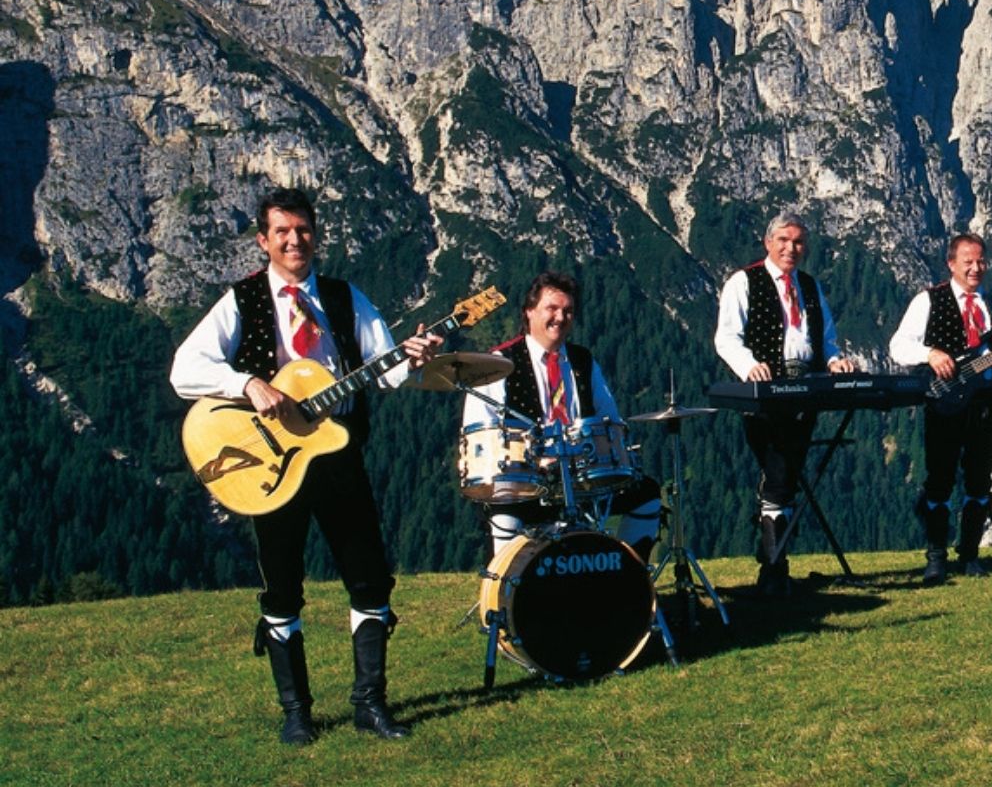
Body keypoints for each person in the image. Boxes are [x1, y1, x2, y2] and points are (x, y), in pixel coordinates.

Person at [170, 186, 443, 745]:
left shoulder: (344, 297)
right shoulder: (242, 300)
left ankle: (370, 704)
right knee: (282, 586)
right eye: (283, 232)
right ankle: (296, 713)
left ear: (316, 234)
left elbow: (386, 369)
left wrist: (413, 358)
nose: (294, 241)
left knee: (369, 578)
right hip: (271, 464)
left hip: (337, 455)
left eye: (303, 230)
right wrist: (247, 383)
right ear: (263, 240)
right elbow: (184, 370)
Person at [461, 273, 662, 562]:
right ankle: (509, 587)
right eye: (552, 308)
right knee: (505, 517)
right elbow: (480, 437)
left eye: (568, 310)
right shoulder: (498, 363)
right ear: (529, 312)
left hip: (580, 477)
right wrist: (534, 460)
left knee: (647, 494)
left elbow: (609, 419)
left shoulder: (583, 361)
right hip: (524, 483)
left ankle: (628, 573)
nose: (560, 317)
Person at [888, 233, 992, 583]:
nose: (976, 268)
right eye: (968, 262)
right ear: (951, 264)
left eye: (981, 261)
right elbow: (898, 347)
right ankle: (936, 557)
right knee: (940, 478)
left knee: (979, 478)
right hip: (944, 402)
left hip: (986, 405)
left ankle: (970, 555)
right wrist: (930, 354)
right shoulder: (928, 301)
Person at [713, 213, 858, 596]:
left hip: (805, 391)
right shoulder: (743, 281)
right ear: (768, 242)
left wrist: (833, 361)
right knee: (778, 473)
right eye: (783, 240)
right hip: (765, 392)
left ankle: (776, 565)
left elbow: (825, 337)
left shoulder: (809, 285)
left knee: (788, 476)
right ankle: (773, 569)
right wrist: (749, 366)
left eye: (798, 242)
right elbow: (726, 338)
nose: (791, 248)